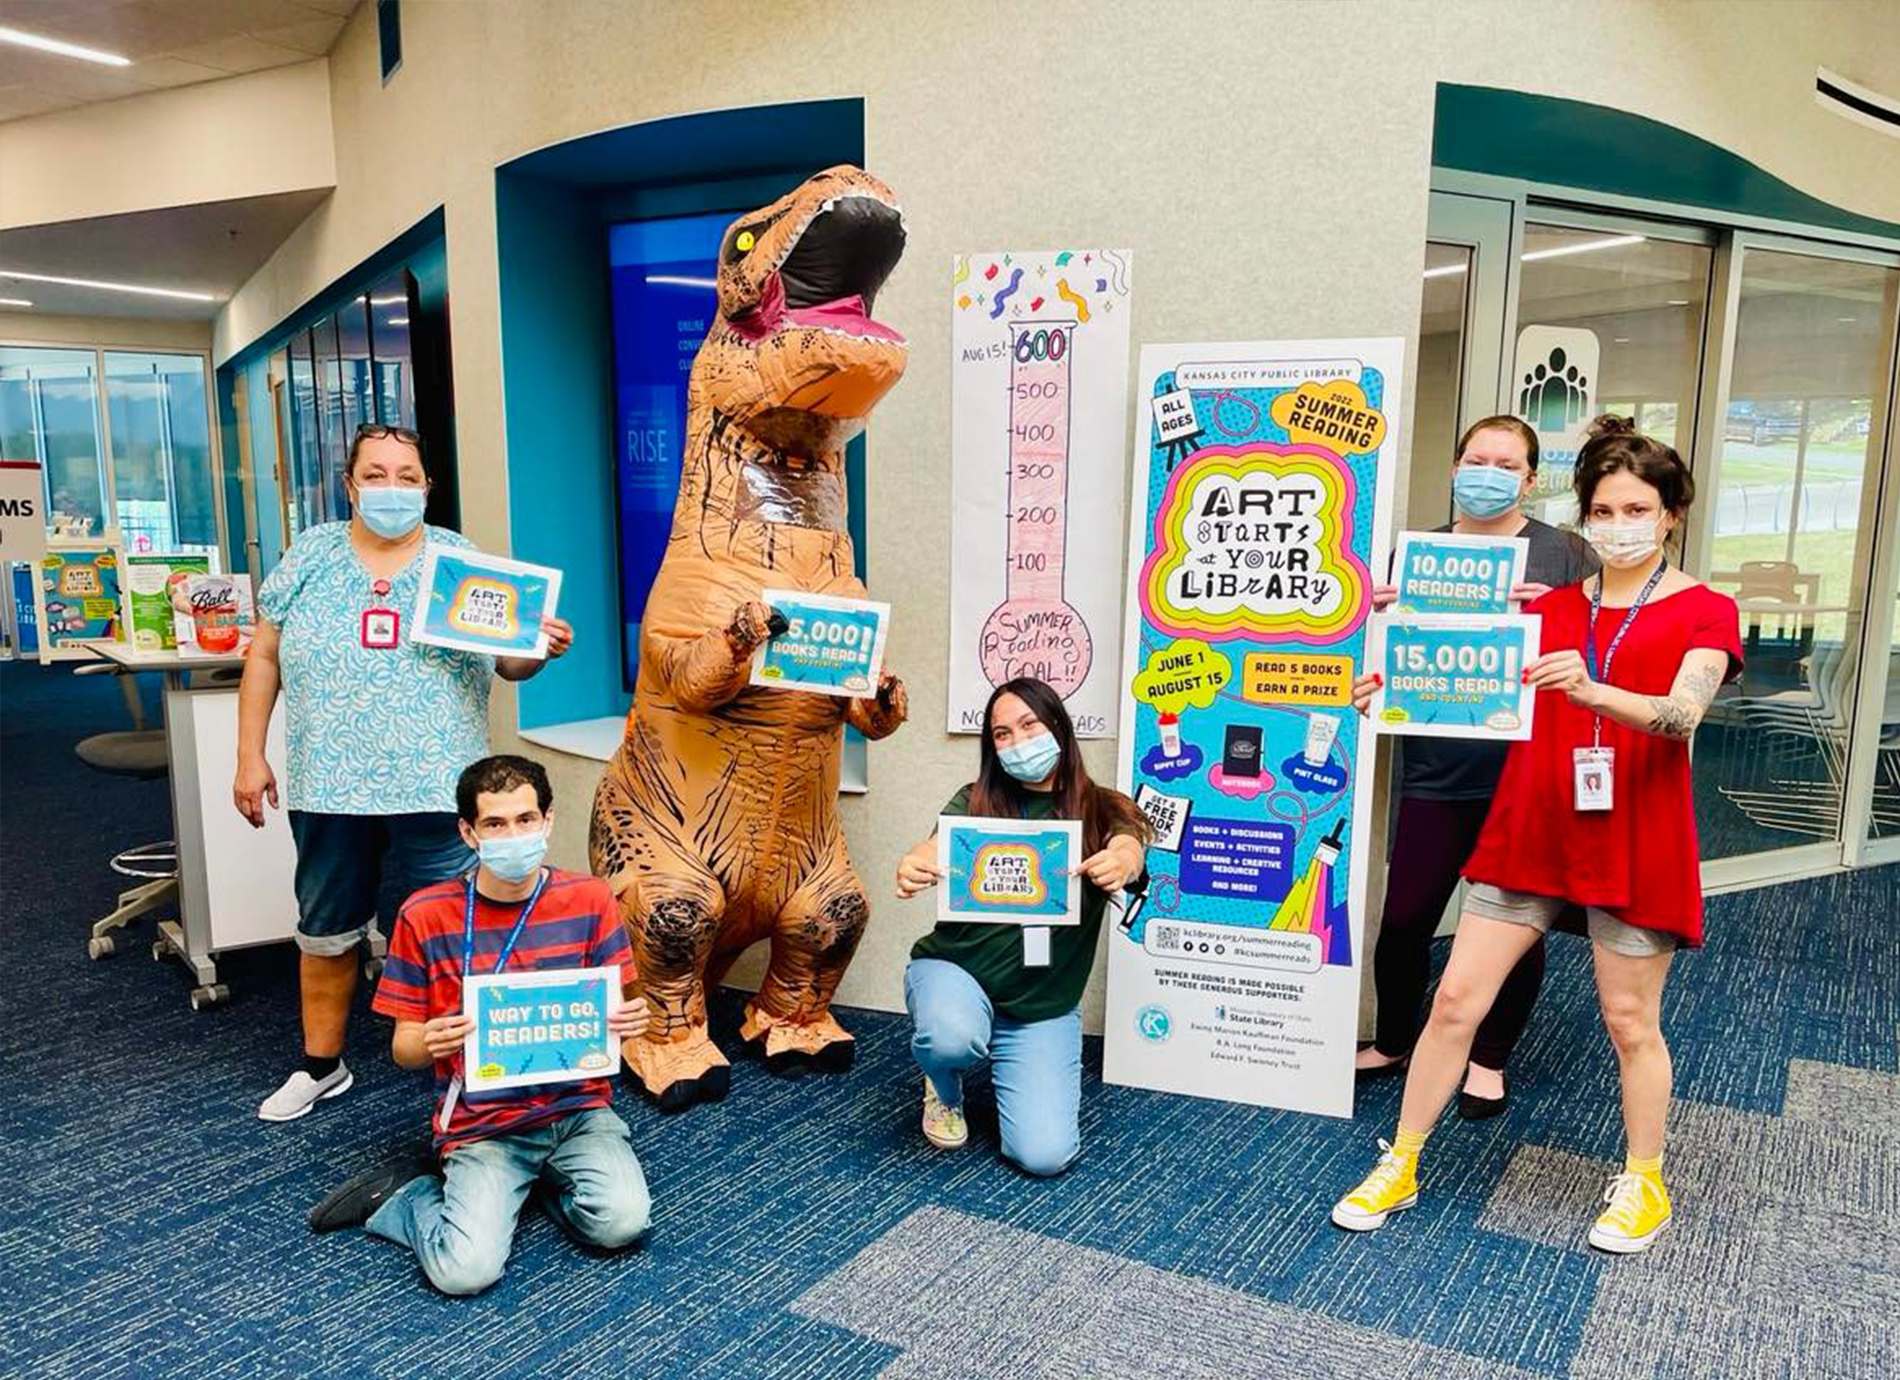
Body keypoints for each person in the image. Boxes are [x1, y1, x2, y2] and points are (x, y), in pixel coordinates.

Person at [1331, 416, 1740, 1255]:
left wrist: (1591, 692)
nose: (1618, 523)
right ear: (1585, 515)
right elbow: (1474, 693)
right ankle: (1401, 1158)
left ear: (1670, 515)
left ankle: (1645, 1181)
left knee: (1630, 1020)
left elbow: (1680, 714)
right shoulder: (1546, 608)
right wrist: (1396, 691)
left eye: (1636, 508)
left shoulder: (1706, 608)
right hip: (1533, 824)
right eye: (1602, 508)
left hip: (1635, 833)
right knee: (1453, 1002)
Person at [235, 424, 574, 1123]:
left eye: (406, 476)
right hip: (329, 781)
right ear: (350, 485)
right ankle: (320, 1067)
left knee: (455, 928)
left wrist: (539, 647)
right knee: (326, 926)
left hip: (437, 781)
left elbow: (510, 662)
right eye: (376, 475)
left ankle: (468, 1066)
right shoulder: (312, 556)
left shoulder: (459, 562)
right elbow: (263, 657)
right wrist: (249, 752)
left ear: (427, 486)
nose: (392, 488)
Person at [306, 755, 652, 1295]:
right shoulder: (425, 914)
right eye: (494, 824)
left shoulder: (590, 899)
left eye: (525, 820)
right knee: (465, 1274)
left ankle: (521, 1193)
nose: (513, 835)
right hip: (483, 1123)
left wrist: (629, 1019)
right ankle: (409, 1200)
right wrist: (430, 1039)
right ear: (468, 832)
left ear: (548, 820)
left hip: (578, 1110)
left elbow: (620, 1009)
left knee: (622, 1225)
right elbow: (405, 1049)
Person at [1357, 416, 1598, 1117]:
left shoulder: (1565, 555)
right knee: (1405, 920)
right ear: (1456, 466)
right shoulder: (1418, 554)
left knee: (1510, 928)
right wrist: (1375, 673)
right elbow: (1388, 658)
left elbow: (1596, 649)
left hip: (1524, 774)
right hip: (1433, 769)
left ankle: (1489, 1059)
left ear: (1529, 479)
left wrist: (1551, 615)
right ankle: (1398, 1038)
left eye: (1505, 463)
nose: (1486, 473)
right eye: (1475, 459)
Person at [894, 677, 1150, 1175]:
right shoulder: (973, 800)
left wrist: (1121, 861)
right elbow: (933, 845)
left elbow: (1130, 847)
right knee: (950, 1036)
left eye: (1029, 725)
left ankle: (994, 1049)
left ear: (1058, 725)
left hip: (1041, 1007)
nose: (1017, 742)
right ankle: (943, 1084)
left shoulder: (1105, 807)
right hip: (957, 973)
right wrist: (913, 862)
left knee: (1045, 1156)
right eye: (1002, 734)